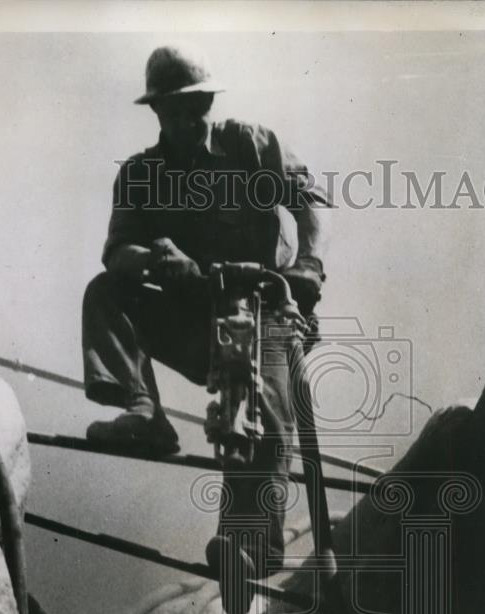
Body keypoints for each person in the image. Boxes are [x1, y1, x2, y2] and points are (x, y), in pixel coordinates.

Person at [82, 45, 330, 576]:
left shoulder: (250, 145)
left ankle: (250, 548)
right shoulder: (140, 174)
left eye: (197, 108)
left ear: (210, 103)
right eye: (176, 111)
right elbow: (117, 251)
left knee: (256, 401)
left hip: (266, 308)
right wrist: (155, 259)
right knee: (106, 292)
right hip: (193, 316)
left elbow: (309, 202)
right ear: (157, 113)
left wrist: (308, 265)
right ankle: (144, 413)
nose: (189, 121)